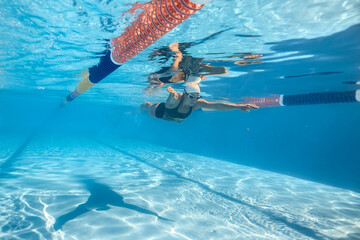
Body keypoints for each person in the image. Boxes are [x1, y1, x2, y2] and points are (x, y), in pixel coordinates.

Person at [141, 80, 258, 122]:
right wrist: (172, 95)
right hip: (158, 112)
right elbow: (171, 101)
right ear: (185, 95)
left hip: (171, 117)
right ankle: (144, 105)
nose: (194, 100)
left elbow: (217, 106)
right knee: (148, 107)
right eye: (192, 97)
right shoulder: (176, 100)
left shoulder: (196, 104)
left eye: (197, 97)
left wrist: (238, 107)